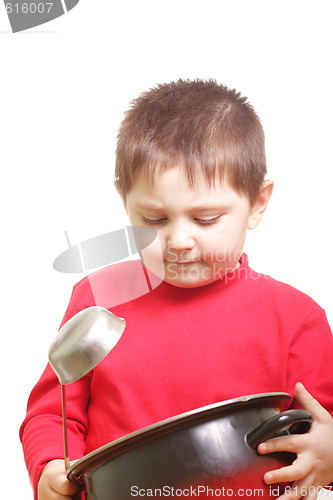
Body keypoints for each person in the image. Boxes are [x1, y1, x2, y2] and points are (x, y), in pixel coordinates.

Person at [20, 79, 333, 500]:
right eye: (154, 218)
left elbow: (323, 425)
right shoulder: (99, 295)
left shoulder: (295, 318)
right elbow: (52, 414)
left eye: (205, 219)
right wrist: (51, 466)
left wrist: (328, 455)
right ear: (124, 201)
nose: (178, 241)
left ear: (257, 203)